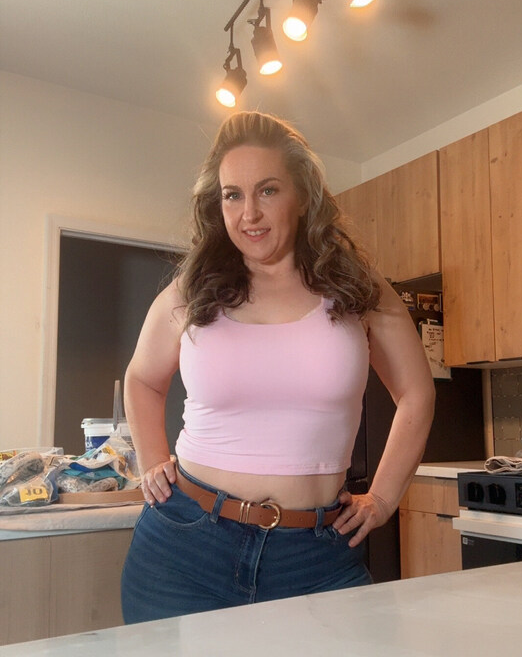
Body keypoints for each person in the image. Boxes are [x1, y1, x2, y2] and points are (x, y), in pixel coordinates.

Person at [120, 111, 435, 623]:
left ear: (303, 196)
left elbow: (417, 394)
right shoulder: (191, 290)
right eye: (232, 195)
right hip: (185, 550)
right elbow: (142, 379)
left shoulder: (358, 288)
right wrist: (151, 457)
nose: (249, 214)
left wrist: (382, 497)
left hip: (316, 555)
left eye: (267, 190)